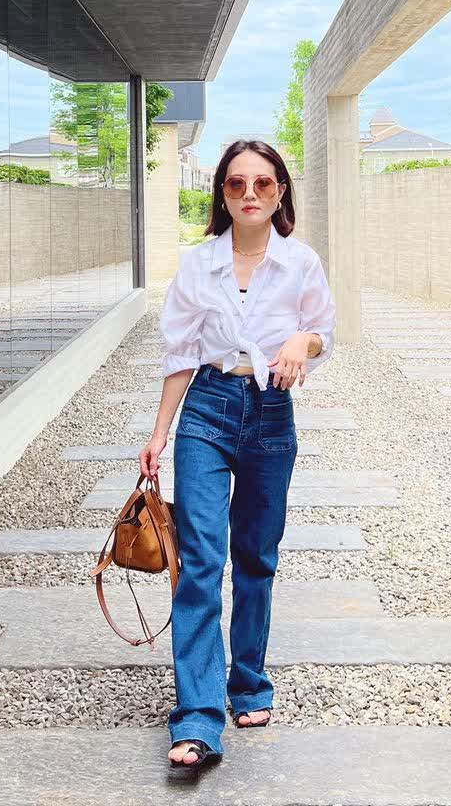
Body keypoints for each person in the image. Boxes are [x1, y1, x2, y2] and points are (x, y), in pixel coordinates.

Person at [138, 139, 336, 771]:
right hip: (207, 409)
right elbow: (180, 352)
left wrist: (302, 342)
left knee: (256, 557)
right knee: (201, 560)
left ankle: (248, 681)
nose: (250, 193)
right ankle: (198, 716)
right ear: (221, 193)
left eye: (263, 183)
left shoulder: (300, 262)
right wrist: (159, 432)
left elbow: (323, 332)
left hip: (272, 413)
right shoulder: (198, 265)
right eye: (236, 183)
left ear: (281, 192)